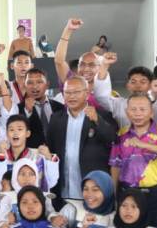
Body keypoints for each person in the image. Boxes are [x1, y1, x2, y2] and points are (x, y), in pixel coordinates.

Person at [47, 76, 118, 208]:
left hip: (93, 191)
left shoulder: (102, 115)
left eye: (76, 92)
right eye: (68, 92)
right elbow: (51, 149)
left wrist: (98, 121)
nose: (71, 96)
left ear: (87, 93)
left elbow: (114, 141)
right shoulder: (56, 118)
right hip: (63, 191)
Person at [109, 93, 157, 226]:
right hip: (129, 194)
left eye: (142, 109)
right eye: (133, 109)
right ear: (127, 112)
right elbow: (115, 165)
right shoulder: (121, 134)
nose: (137, 113)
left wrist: (145, 145)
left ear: (151, 113)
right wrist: (113, 193)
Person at [19, 67, 65, 148]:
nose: (34, 86)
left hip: (57, 153)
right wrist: (27, 112)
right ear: (24, 86)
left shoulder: (60, 107)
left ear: (47, 85)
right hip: (32, 154)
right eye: (30, 83)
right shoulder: (18, 109)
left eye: (39, 82)